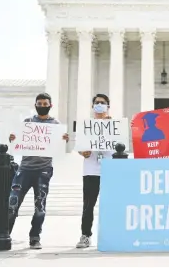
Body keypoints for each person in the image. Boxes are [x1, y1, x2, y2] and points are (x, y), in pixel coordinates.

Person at [8, 93, 69, 249]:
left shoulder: (56, 124)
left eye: (45, 103)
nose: (42, 106)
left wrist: (63, 140)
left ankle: (35, 237)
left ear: (50, 105)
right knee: (12, 203)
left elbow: (59, 147)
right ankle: (5, 233)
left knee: (40, 206)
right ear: (35, 105)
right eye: (39, 103)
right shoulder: (27, 122)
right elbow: (17, 141)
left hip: (44, 170)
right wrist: (13, 139)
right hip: (24, 169)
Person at [76, 94, 113, 248]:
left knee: (110, 204)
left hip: (110, 168)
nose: (99, 105)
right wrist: (83, 152)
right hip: (91, 170)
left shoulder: (114, 124)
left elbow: (122, 143)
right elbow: (80, 147)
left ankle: (111, 234)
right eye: (97, 103)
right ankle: (85, 235)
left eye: (103, 103)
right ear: (92, 106)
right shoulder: (87, 125)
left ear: (108, 106)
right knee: (88, 205)